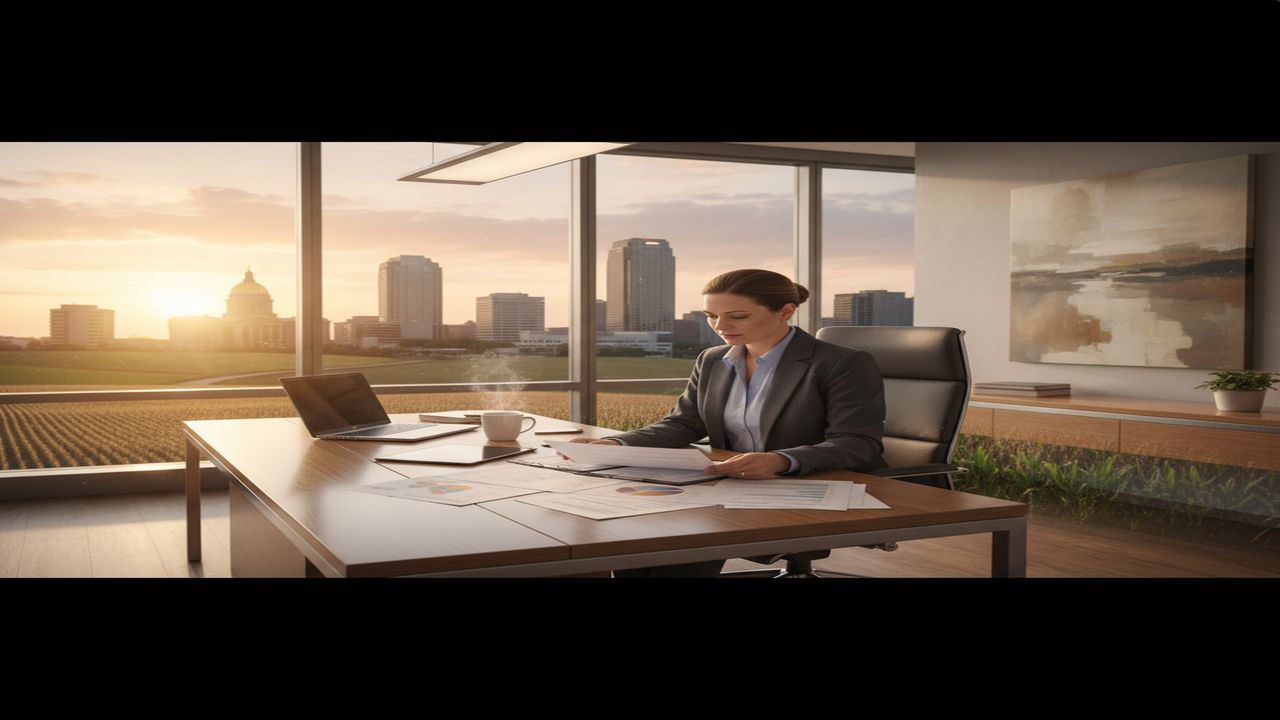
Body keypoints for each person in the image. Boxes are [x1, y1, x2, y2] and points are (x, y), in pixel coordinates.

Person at [574, 268, 887, 577]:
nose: (720, 326)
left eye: (738, 316)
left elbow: (858, 443)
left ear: (786, 311)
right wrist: (616, 443)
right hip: (729, 486)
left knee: (680, 541)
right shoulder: (713, 359)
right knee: (633, 534)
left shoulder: (840, 363)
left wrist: (781, 460)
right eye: (711, 315)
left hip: (809, 484)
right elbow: (684, 423)